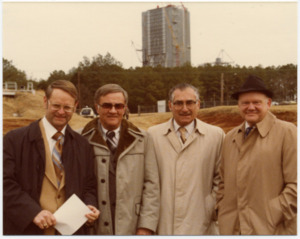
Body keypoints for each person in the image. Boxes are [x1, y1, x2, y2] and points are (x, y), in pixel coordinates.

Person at [3, 80, 100, 235]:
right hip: (27, 231)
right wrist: (32, 212)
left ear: (75, 106)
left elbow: (89, 186)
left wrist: (89, 205)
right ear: (45, 102)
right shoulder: (14, 140)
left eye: (67, 107)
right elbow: (5, 183)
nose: (61, 112)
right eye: (56, 106)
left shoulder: (83, 145)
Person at [216, 75, 297, 235]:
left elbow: (296, 184)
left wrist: (273, 213)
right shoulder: (230, 137)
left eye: (256, 102)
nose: (250, 107)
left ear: (268, 103)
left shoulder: (288, 132)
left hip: (272, 230)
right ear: (239, 105)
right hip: (233, 229)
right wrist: (222, 207)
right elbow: (223, 182)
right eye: (245, 103)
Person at [146, 83, 225, 235]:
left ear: (198, 104)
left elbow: (222, 178)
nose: (184, 108)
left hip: (201, 224)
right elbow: (148, 180)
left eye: (190, 102)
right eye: (178, 103)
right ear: (170, 105)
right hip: (163, 223)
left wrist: (210, 207)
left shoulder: (216, 135)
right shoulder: (153, 135)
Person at [81, 84, 160, 235]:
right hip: (93, 228)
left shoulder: (143, 139)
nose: (113, 110)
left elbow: (151, 185)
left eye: (118, 106)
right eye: (107, 105)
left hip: (132, 225)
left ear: (125, 108)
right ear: (97, 107)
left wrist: (146, 226)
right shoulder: (81, 138)